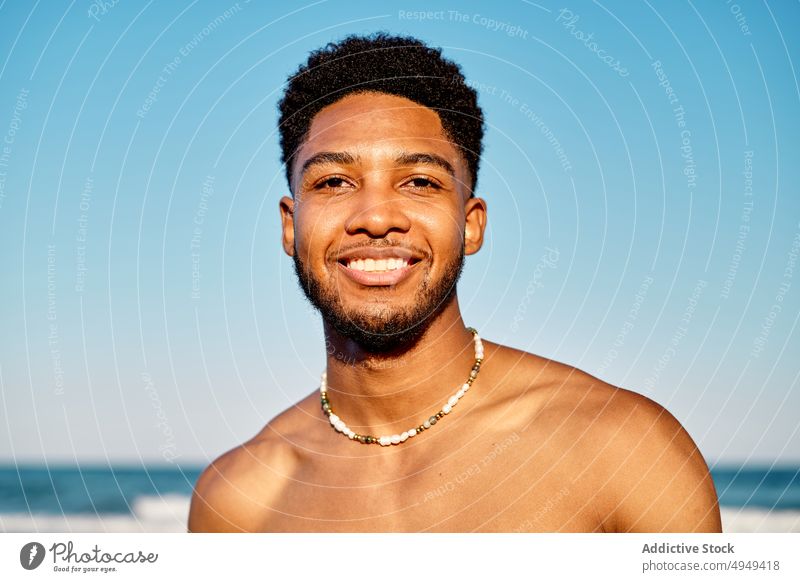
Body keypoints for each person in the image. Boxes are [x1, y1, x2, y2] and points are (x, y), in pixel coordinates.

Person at [188, 33, 721, 533]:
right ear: (291, 224)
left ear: (470, 225)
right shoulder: (238, 504)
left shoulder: (623, 450)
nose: (375, 218)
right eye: (333, 182)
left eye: (420, 181)